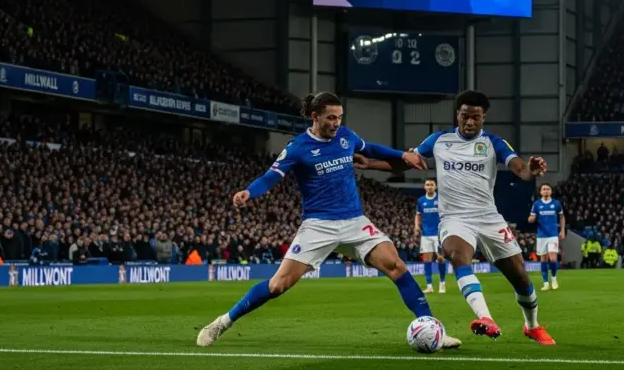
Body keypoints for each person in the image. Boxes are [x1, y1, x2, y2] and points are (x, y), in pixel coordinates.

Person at [196, 92, 461, 350]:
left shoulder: (346, 136)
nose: (336, 123)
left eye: (339, 117)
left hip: (354, 221)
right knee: (277, 286)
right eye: (331, 118)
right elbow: (271, 176)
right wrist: (249, 192)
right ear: (315, 117)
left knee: (397, 266)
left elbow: (370, 148)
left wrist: (403, 155)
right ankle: (223, 322)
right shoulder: (298, 147)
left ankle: (433, 329)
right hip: (318, 225)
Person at [359, 90, 556, 345]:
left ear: (484, 118)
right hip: (454, 218)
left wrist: (532, 171)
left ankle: (532, 326)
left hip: (489, 218)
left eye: (476, 117)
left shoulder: (493, 143)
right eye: (465, 116)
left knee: (520, 277)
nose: (470, 122)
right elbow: (405, 161)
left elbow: (520, 169)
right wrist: (370, 164)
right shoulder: (439, 140)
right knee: (457, 255)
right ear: (457, 115)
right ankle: (485, 318)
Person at [528, 183, 564, 290]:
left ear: (551, 191)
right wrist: (531, 219)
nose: (546, 191)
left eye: (548, 189)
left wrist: (562, 230)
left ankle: (554, 279)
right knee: (543, 259)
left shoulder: (556, 204)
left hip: (553, 235)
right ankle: (545, 283)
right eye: (544, 189)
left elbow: (562, 217)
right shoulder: (537, 204)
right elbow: (531, 217)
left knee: (552, 258)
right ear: (540, 192)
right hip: (541, 235)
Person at [416, 177, 446, 294]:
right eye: (427, 185)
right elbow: (418, 214)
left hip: (438, 234)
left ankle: (442, 283)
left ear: (435, 186)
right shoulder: (421, 200)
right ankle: (429, 286)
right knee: (427, 260)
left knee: (440, 258)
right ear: (424, 186)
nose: (429, 187)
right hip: (425, 234)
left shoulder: (440, 199)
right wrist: (416, 225)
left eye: (431, 185)